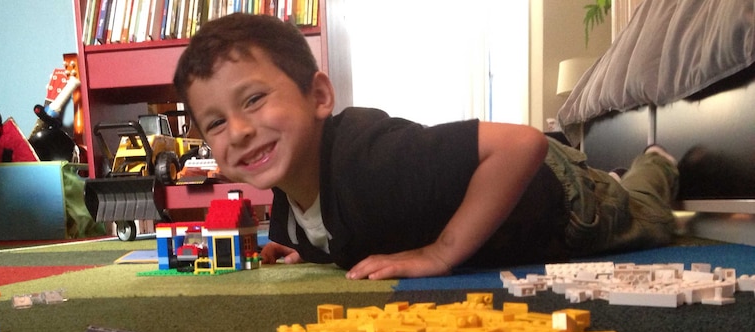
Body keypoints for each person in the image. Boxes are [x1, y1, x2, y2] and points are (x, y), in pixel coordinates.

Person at [174, 13, 678, 280]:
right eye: (215, 123)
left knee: (648, 217)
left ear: (320, 96)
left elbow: (521, 144)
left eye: (255, 99)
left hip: (560, 202)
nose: (237, 130)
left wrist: (440, 255)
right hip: (508, 198)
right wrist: (309, 251)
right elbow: (341, 227)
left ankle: (651, 164)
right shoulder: (288, 196)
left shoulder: (376, 160)